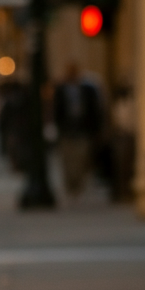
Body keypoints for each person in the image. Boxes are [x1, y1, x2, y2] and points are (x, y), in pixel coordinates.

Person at [53, 62, 102, 196]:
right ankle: (70, 185)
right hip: (67, 129)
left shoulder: (88, 89)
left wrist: (96, 129)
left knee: (81, 157)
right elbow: (56, 110)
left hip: (83, 129)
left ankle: (78, 184)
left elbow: (95, 110)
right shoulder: (61, 89)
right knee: (67, 159)